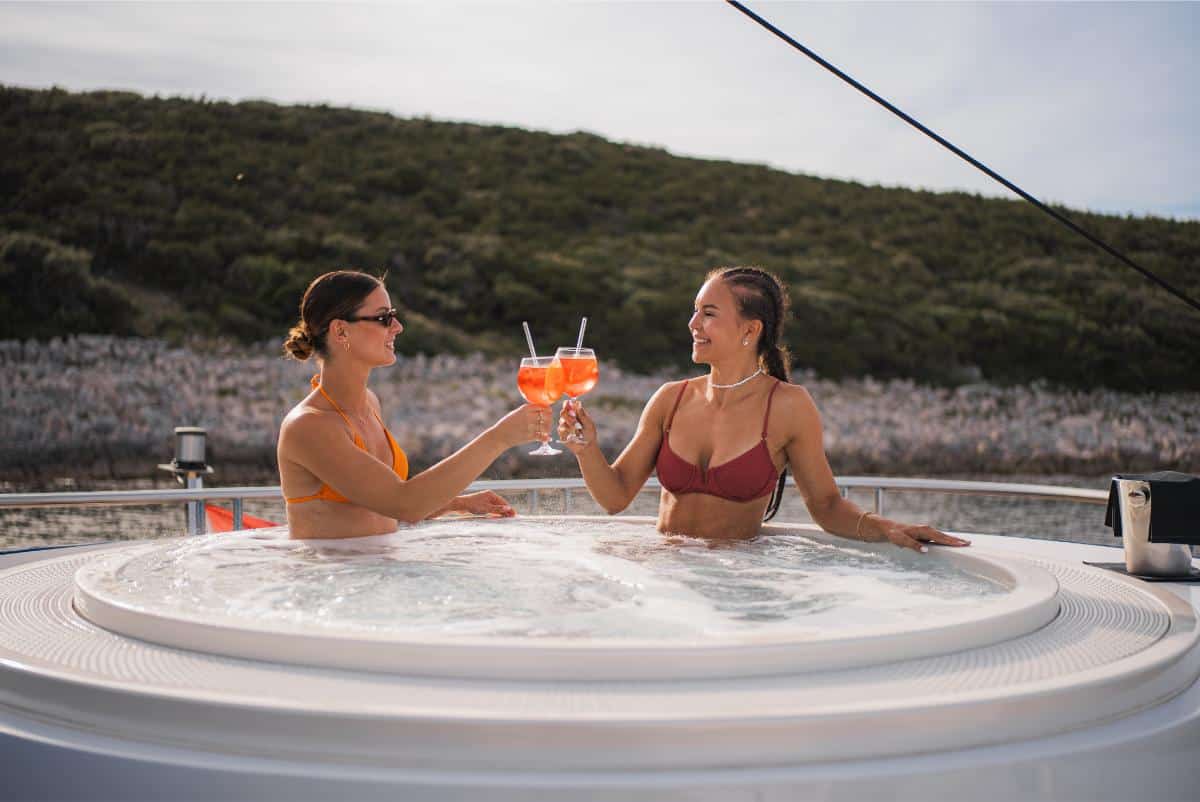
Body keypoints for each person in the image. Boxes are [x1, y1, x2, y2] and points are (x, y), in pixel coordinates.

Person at [559, 266, 971, 551]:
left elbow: (827, 506)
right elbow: (614, 497)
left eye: (708, 314)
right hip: (664, 574)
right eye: (694, 311)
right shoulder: (671, 398)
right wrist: (586, 449)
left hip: (739, 579)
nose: (693, 324)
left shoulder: (788, 406)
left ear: (750, 330)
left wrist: (889, 528)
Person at [278, 270, 544, 539]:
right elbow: (405, 504)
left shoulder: (369, 402)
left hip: (376, 563)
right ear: (341, 331)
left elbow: (379, 499)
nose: (397, 327)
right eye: (383, 318)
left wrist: (454, 504)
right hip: (331, 566)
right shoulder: (308, 426)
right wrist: (499, 438)